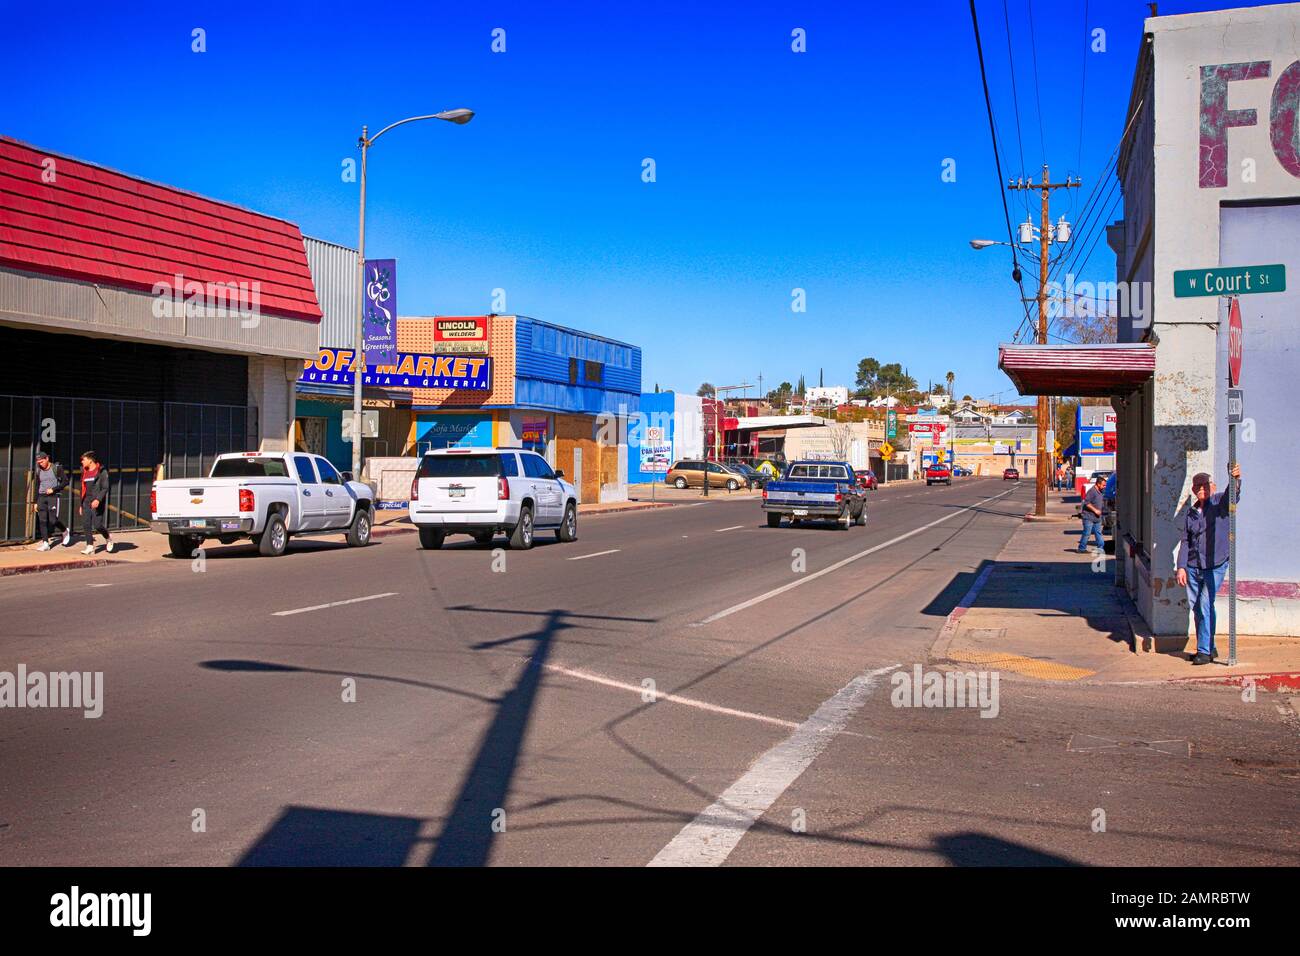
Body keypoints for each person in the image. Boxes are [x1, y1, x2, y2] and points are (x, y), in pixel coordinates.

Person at [1177, 463, 1243, 665]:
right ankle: (1208, 646)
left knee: (1205, 604)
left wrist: (1235, 479)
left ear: (1212, 486)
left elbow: (1233, 496)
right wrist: (1181, 566)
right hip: (1194, 566)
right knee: (1198, 608)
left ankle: (1204, 651)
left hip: (1215, 565)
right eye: (1198, 486)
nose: (1201, 489)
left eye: (1205, 484)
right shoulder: (1191, 512)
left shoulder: (1219, 503)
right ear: (1193, 490)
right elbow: (1186, 540)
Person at [31, 450, 70, 550]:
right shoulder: (38, 470)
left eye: (42, 462)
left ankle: (65, 531)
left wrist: (53, 489)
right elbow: (37, 486)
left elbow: (66, 482)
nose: (40, 464)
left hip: (53, 496)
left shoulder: (56, 468)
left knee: (52, 520)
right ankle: (45, 543)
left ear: (47, 459)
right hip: (41, 497)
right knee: (42, 520)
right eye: (38, 462)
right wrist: (35, 502)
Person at [77, 451, 114, 555]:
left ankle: (108, 538)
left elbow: (105, 487)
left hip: (97, 501)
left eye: (83, 460)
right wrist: (81, 504)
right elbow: (82, 488)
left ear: (90, 460)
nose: (82, 462)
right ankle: (89, 546)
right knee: (86, 524)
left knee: (97, 525)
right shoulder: (84, 471)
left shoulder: (101, 471)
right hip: (86, 501)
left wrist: (98, 499)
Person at [1077, 473, 1107, 553]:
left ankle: (1100, 548)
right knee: (1087, 533)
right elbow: (1086, 503)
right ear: (1098, 484)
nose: (1104, 487)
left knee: (1098, 533)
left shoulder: (1100, 492)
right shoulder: (1092, 491)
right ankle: (1081, 548)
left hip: (1097, 518)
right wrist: (1095, 510)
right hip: (1088, 517)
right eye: (1103, 485)